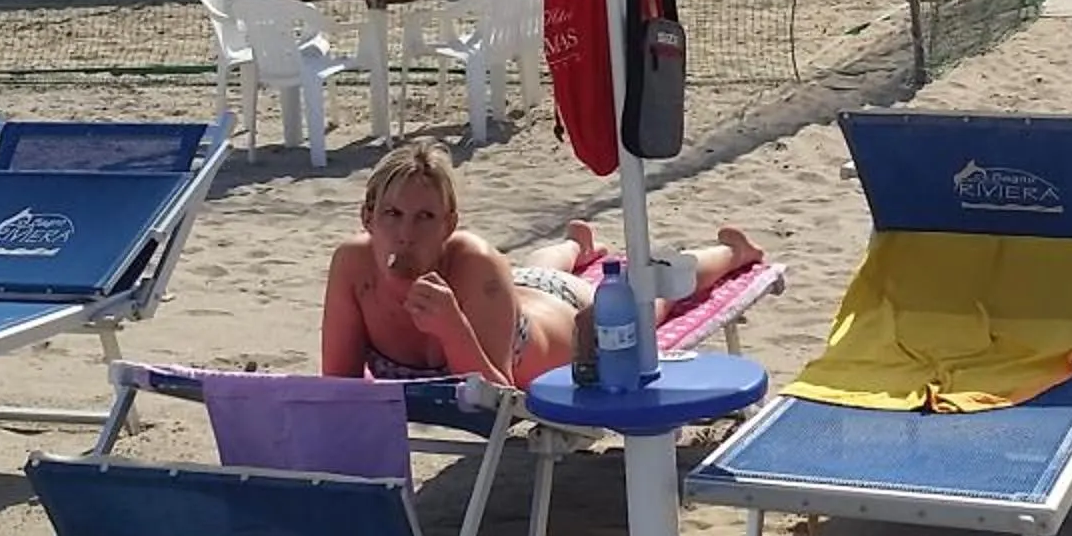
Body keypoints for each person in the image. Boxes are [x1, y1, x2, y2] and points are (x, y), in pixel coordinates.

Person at [321, 138, 763, 389]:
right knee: (540, 267)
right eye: (392, 215)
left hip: (560, 316)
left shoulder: (475, 264)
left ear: (448, 225)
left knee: (648, 293)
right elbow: (335, 390)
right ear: (368, 218)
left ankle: (732, 252)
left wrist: (452, 329)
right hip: (519, 287)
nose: (405, 235)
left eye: (425, 218)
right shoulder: (352, 266)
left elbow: (500, 399)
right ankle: (576, 245)